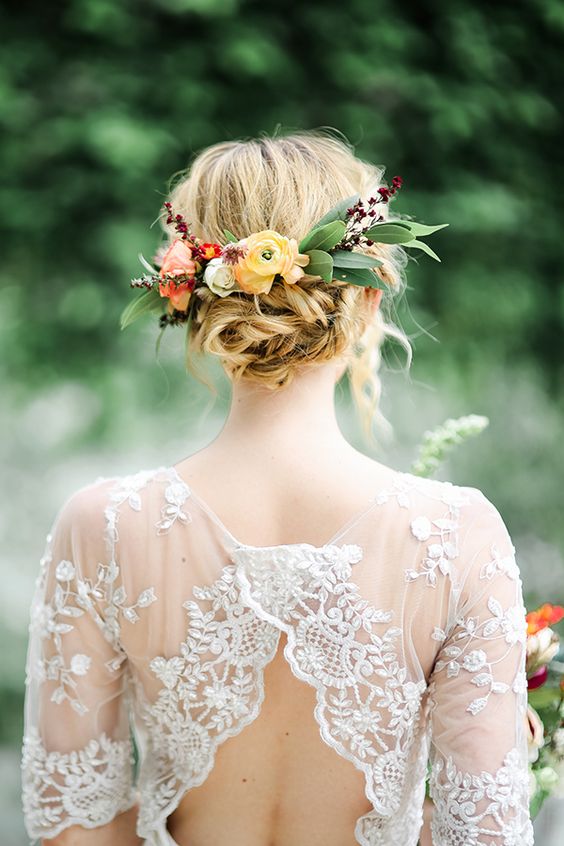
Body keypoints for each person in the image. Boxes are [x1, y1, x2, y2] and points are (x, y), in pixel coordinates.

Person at [21, 131, 534, 845]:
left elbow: (73, 823)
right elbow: (482, 834)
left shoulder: (104, 524)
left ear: (191, 292)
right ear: (367, 289)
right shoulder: (456, 534)